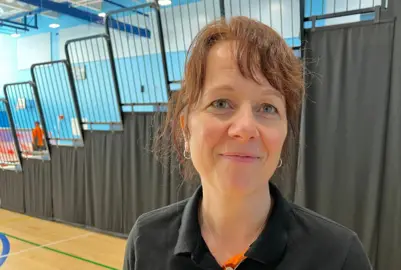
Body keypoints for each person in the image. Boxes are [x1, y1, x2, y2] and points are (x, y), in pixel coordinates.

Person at [123, 16, 372, 270]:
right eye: (221, 103)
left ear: (284, 132)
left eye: (267, 107)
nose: (245, 129)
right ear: (186, 129)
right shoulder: (146, 241)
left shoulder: (339, 256)